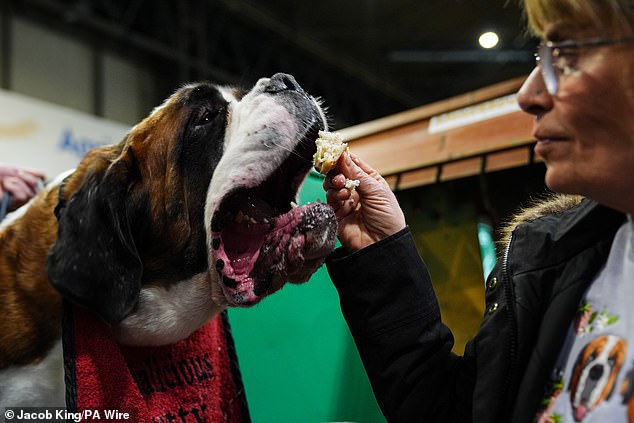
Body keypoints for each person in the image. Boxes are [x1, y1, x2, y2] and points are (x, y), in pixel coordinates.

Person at [323, 1, 634, 422]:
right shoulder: (551, 261)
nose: (528, 95)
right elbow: (453, 411)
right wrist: (381, 249)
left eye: (567, 55)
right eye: (542, 57)